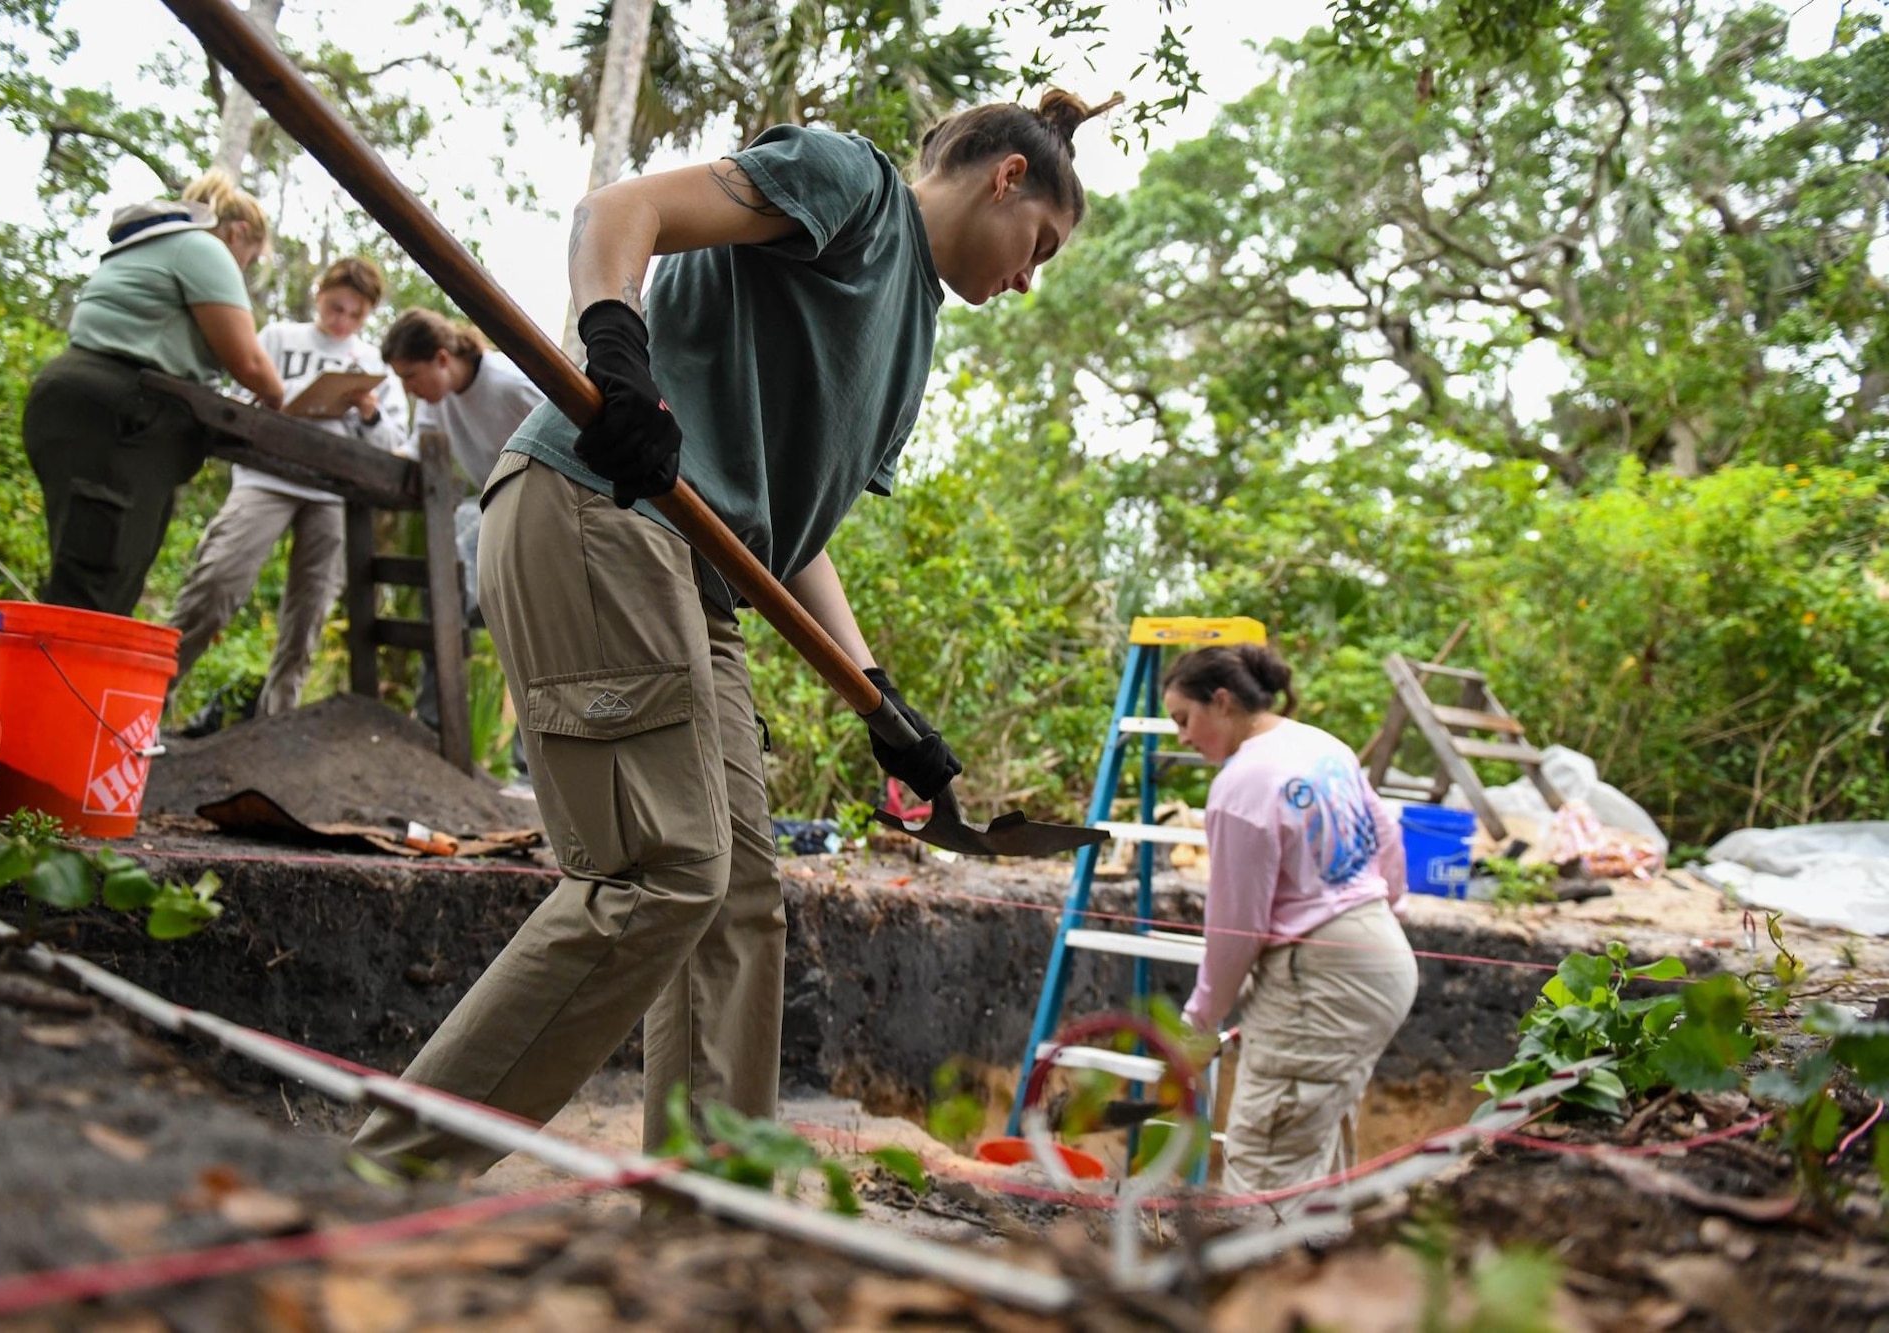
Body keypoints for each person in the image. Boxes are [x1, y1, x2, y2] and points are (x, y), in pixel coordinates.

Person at [355, 89, 1119, 1172]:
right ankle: (380, 1177)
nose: (1028, 278)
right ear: (1006, 178)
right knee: (663, 870)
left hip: (700, 577)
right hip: (600, 506)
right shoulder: (850, 186)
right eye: (1038, 243)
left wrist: (877, 691)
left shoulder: (911, 337)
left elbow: (792, 530)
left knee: (738, 903)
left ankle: (709, 1215)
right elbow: (618, 211)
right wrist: (615, 352)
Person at [1162, 643, 1418, 1210]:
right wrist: (1373, 921)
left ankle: (1258, 1293)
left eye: (1184, 719)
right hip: (1383, 958)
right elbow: (1389, 841)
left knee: (1265, 1160)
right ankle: (1327, 1283)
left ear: (1222, 702)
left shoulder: (1240, 785)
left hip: (1324, 977)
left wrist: (1200, 1024)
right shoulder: (1322, 745)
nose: (1181, 736)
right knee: (1317, 1150)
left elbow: (1236, 929)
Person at [23, 171, 286, 616]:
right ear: (238, 232)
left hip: (74, 399)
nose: (242, 267)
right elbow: (250, 363)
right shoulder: (202, 247)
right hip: (120, 415)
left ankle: (75, 681)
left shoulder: (147, 244)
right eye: (250, 258)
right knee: (95, 587)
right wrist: (278, 400)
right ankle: (69, 684)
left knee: (90, 572)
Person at [166, 257, 409, 716]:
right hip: (266, 478)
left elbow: (394, 442)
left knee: (309, 615)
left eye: (356, 315)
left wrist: (368, 411)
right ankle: (152, 698)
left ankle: (276, 721)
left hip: (332, 493)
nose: (343, 321)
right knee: (218, 581)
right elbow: (234, 398)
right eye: (336, 307)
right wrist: (268, 399)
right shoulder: (279, 337)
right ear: (319, 294)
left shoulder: (373, 364)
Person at [380, 309, 546, 785]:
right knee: (443, 586)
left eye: (411, 376)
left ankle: (531, 770)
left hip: (538, 500)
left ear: (441, 357)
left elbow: (569, 433)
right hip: (489, 501)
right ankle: (433, 725)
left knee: (537, 631)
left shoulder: (508, 382)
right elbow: (418, 448)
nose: (409, 389)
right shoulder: (436, 399)